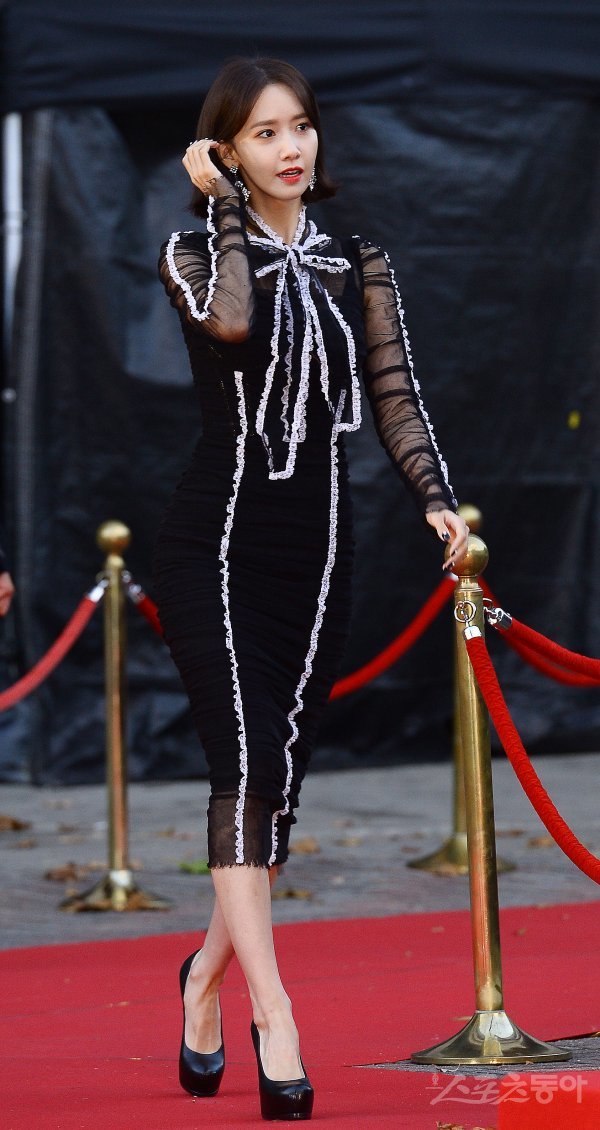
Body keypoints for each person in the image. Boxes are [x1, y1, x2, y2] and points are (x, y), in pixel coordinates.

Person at [153, 56, 469, 1121]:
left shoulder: (356, 261)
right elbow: (234, 323)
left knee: (276, 790)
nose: (291, 148)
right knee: (242, 766)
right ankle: (275, 1013)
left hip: (319, 552)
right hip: (214, 542)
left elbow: (394, 393)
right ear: (225, 152)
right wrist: (223, 207)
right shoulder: (193, 252)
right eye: (263, 134)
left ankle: (203, 978)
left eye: (300, 127)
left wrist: (435, 496)